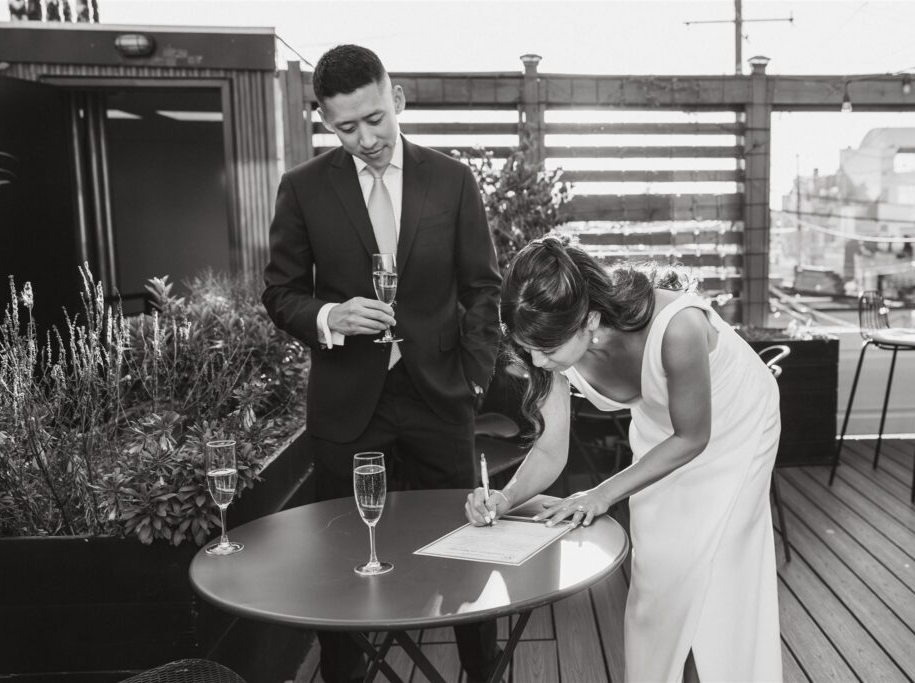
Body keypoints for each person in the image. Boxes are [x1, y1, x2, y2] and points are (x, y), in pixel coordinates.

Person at [262, 44, 502, 683]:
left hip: (439, 398)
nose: (364, 138)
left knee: (468, 550)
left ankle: (484, 673)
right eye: (345, 127)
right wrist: (330, 317)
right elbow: (280, 293)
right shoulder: (303, 189)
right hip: (348, 408)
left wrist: (473, 378)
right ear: (324, 120)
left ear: (396, 99)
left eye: (374, 119)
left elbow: (483, 289)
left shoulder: (452, 179)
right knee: (341, 564)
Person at [465, 235, 783, 683]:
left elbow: (693, 437)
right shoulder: (551, 344)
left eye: (547, 350)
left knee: (716, 568)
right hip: (660, 429)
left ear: (589, 320)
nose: (536, 360)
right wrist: (505, 496)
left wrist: (602, 493)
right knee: (659, 569)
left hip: (733, 421)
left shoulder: (679, 326)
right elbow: (552, 448)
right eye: (529, 348)